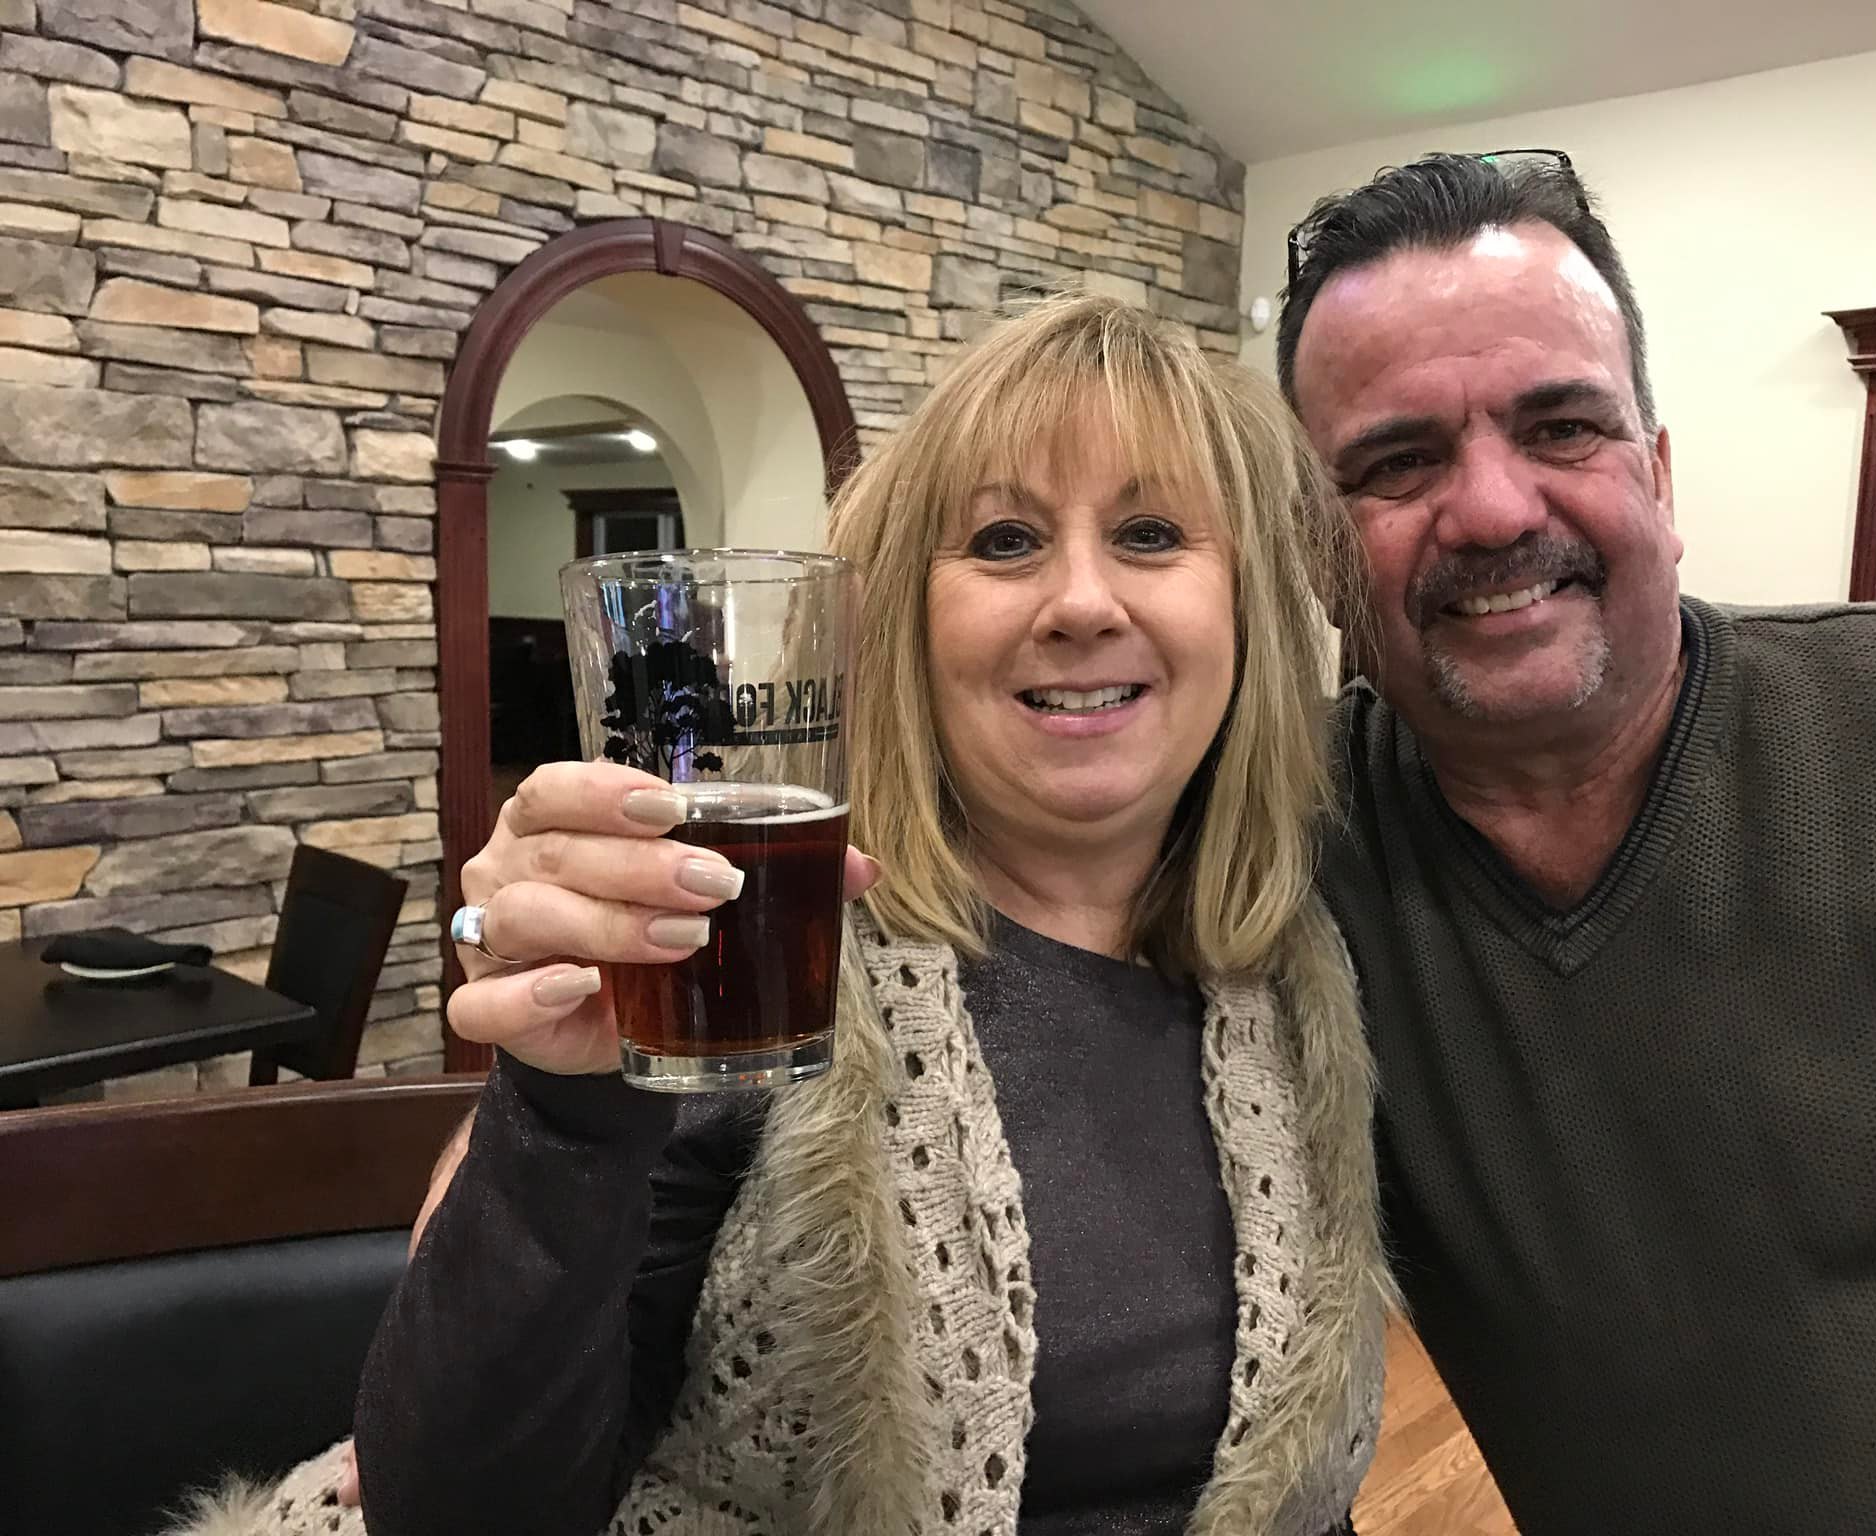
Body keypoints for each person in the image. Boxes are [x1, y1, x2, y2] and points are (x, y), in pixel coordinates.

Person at [175, 293, 1391, 1536]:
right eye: (1005, 540)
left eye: (1148, 533)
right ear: (903, 620)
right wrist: (555, 1108)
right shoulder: (748, 971)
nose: (1080, 600)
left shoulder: (1313, 964)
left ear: (1246, 607)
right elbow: (461, 1512)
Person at [1280, 151, 1876, 1534]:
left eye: (1561, 428)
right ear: (1313, 548)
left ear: (1660, 475)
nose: (1495, 511)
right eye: (1397, 462)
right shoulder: (1273, 849)